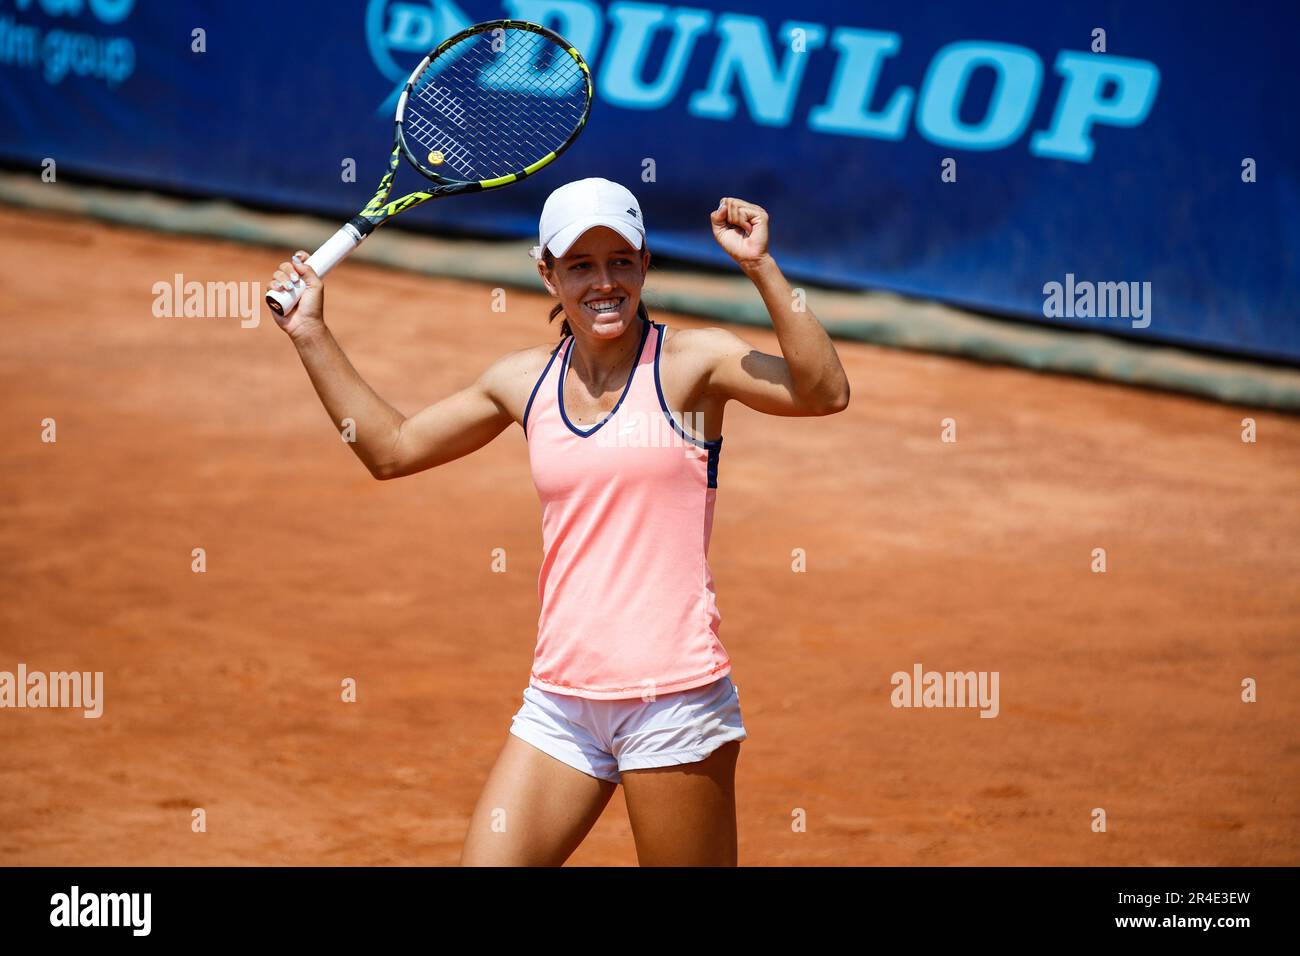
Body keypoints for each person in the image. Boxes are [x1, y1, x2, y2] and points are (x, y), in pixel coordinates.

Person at [266, 177, 850, 866]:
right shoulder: (522, 382)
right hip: (561, 705)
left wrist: (760, 266)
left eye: (620, 262)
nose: (603, 282)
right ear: (547, 273)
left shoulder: (694, 363)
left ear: (643, 266)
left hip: (671, 700)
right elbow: (391, 450)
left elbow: (824, 392)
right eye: (580, 265)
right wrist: (310, 333)